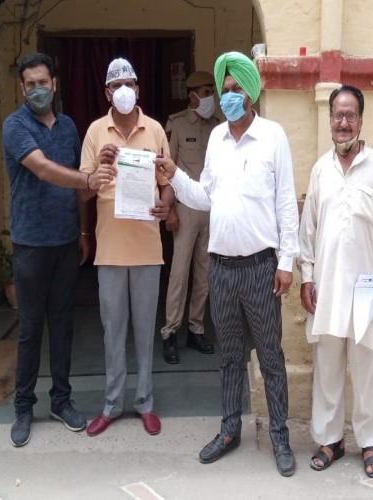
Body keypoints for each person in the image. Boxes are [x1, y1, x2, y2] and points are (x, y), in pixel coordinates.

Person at [155, 52, 300, 477]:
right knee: (229, 355)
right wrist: (174, 175)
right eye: (225, 90)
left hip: (260, 268)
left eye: (237, 89)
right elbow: (205, 197)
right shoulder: (217, 138)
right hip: (220, 269)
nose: (230, 96)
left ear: (251, 92)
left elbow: (285, 203)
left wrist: (286, 261)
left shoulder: (272, 137)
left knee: (270, 356)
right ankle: (229, 430)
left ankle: (279, 435)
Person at [2, 52, 114, 448]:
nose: (36, 89)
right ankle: (23, 406)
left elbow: (79, 185)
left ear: (55, 84)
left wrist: (83, 229)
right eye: (29, 84)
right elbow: (44, 169)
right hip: (31, 243)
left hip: (66, 240)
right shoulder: (15, 126)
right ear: (23, 88)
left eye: (42, 83)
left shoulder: (68, 127)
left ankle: (61, 401)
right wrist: (88, 179)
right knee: (31, 328)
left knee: (63, 324)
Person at [298, 85, 373, 478]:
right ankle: (331, 440)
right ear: (330, 120)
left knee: (367, 367)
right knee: (327, 366)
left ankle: (369, 440)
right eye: (337, 115)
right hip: (327, 286)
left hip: (367, 288)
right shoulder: (320, 170)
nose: (343, 122)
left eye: (350, 115)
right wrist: (306, 278)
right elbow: (308, 232)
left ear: (361, 120)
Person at [79, 57, 173, 438]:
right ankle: (112, 404)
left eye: (129, 84)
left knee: (145, 331)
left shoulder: (155, 130)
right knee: (112, 332)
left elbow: (168, 180)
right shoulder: (95, 132)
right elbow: (83, 189)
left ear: (138, 89)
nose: (123, 91)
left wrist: (166, 203)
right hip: (110, 251)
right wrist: (97, 173)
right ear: (107, 93)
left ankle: (145, 402)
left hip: (148, 248)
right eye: (117, 86)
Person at [159, 71, 220, 364]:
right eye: (205, 92)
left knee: (204, 275)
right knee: (179, 274)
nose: (210, 98)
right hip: (185, 209)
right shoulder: (177, 124)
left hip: (212, 209)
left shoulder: (219, 127)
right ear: (192, 95)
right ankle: (170, 332)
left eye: (212, 92)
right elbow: (165, 169)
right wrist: (169, 210)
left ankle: (196, 329)